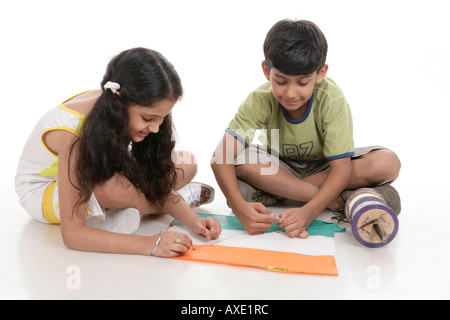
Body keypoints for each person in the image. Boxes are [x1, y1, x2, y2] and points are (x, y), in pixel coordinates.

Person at [15, 47, 221, 257]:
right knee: (117, 188)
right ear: (119, 101)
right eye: (149, 119)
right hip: (44, 191)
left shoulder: (113, 109)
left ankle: (125, 208)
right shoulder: (73, 135)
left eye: (163, 117)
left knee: (188, 162)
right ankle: (172, 200)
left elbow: (149, 174)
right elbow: (73, 235)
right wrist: (151, 244)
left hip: (92, 175)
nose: (157, 128)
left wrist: (193, 221)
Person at [211, 19, 401, 239]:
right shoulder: (259, 99)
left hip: (325, 167)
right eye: (280, 81)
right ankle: (338, 198)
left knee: (387, 162)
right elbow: (220, 157)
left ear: (320, 74)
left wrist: (309, 211)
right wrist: (238, 208)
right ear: (266, 70)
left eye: (302, 83)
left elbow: (341, 169)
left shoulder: (331, 99)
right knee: (238, 165)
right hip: (279, 166)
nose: (291, 93)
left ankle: (282, 192)